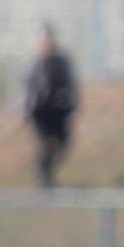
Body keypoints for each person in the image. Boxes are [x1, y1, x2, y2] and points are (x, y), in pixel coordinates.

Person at [24, 23, 79, 188]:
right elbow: (28, 89)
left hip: (58, 110)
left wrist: (72, 104)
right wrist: (25, 110)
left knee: (62, 142)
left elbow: (69, 84)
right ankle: (45, 179)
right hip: (41, 110)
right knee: (45, 143)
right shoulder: (35, 64)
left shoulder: (61, 61)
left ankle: (46, 176)